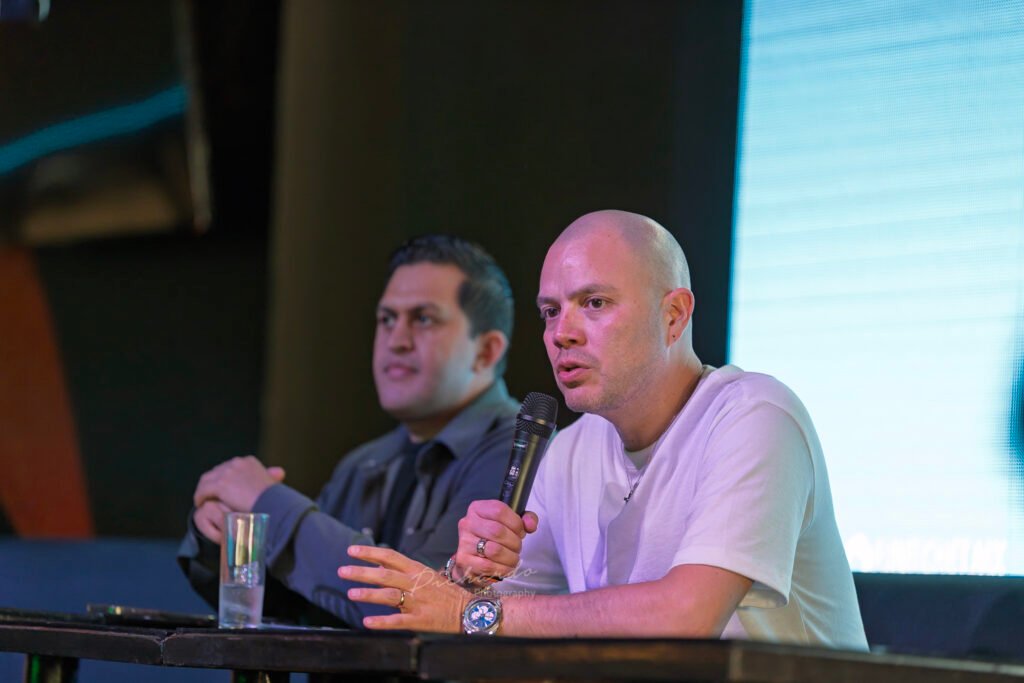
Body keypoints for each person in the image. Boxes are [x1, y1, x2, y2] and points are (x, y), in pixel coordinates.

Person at [338, 210, 868, 649]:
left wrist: (472, 611)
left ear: (674, 316)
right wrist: (471, 576)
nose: (561, 334)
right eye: (550, 311)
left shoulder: (755, 416)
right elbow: (502, 622)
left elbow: (686, 616)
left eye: (594, 303)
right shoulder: (569, 450)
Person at [178, 235, 519, 626]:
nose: (397, 340)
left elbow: (428, 606)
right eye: (387, 319)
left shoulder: (518, 455)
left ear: (487, 351)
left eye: (423, 318)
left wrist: (268, 501)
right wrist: (229, 536)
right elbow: (300, 606)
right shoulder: (362, 464)